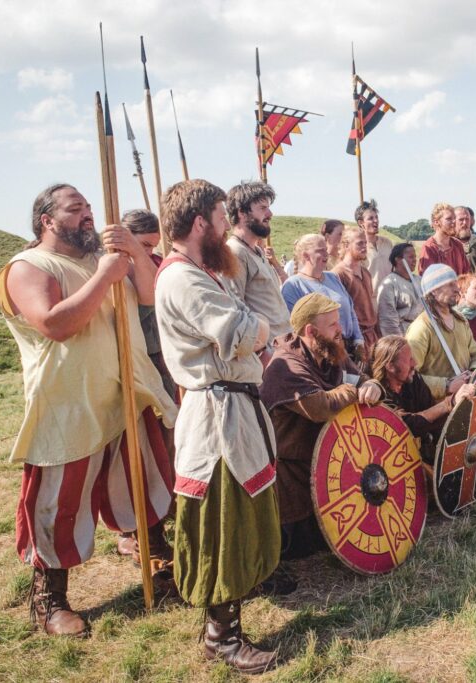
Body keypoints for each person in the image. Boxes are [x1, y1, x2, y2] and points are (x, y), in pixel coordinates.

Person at [0, 184, 177, 638]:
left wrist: (134, 250)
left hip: (123, 390)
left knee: (143, 480)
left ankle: (155, 560)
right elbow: (55, 324)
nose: (88, 216)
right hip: (68, 402)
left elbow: (150, 295)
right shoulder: (28, 266)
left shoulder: (104, 258)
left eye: (89, 209)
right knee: (61, 502)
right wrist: (104, 276)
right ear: (47, 221)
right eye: (75, 210)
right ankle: (49, 600)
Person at [153, 179, 281, 673]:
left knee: (242, 511)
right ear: (201, 222)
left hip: (234, 406)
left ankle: (230, 623)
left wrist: (256, 324)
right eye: (223, 215)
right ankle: (222, 637)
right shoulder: (182, 278)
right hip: (215, 417)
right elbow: (244, 331)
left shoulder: (203, 271)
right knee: (221, 520)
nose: (228, 224)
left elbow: (256, 319)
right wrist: (258, 329)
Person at [260, 294, 382, 558]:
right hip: (292, 469)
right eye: (333, 325)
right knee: (303, 548)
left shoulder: (329, 349)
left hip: (331, 463)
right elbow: (320, 407)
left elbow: (361, 377)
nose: (341, 330)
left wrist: (372, 385)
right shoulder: (286, 366)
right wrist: (352, 390)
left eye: (338, 322)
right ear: (311, 331)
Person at [371, 335, 473, 462]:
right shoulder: (378, 395)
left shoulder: (413, 380)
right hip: (396, 461)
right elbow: (406, 426)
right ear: (390, 366)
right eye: (409, 360)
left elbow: (431, 412)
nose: (415, 363)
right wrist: (449, 403)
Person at [224, 181, 292, 362]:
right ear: (241, 212)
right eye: (262, 208)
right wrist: (263, 353)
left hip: (283, 347)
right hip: (268, 354)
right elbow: (235, 309)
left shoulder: (257, 251)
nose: (269, 214)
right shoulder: (235, 252)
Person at [282, 234, 366, 367]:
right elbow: (297, 327)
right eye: (320, 251)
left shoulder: (333, 277)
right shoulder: (293, 285)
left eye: (326, 250)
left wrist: (358, 341)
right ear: (306, 255)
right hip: (323, 354)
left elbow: (350, 310)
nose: (326, 254)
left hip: (350, 349)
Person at [406, 264, 476, 401]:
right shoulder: (422, 328)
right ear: (434, 291)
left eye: (455, 283)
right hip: (438, 407)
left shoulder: (461, 321)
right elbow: (409, 375)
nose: (457, 289)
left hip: (467, 398)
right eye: (450, 285)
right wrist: (446, 385)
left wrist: (473, 373)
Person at [121, 208, 177, 399]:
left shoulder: (155, 261)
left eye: (152, 246)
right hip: (134, 350)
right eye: (144, 244)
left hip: (162, 345)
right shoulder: (111, 262)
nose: (148, 251)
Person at [331, 226, 382, 355]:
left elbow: (371, 308)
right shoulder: (338, 274)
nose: (365, 246)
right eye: (360, 243)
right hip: (355, 340)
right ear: (347, 245)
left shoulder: (365, 272)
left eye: (365, 242)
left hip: (372, 337)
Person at [376, 242, 423, 336]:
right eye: (410, 257)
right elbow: (388, 319)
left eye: (415, 257)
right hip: (403, 332)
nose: (414, 260)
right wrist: (399, 342)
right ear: (398, 259)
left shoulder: (420, 281)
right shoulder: (389, 284)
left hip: (422, 330)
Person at [418, 202, 472, 276]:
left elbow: (466, 275)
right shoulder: (429, 248)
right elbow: (428, 282)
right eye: (449, 219)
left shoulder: (457, 245)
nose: (454, 221)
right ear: (436, 222)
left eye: (454, 218)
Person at [357, 199, 393, 290]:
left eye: (376, 217)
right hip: (371, 300)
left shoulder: (387, 243)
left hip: (391, 297)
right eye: (371, 218)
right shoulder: (359, 248)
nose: (376, 220)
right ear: (361, 223)